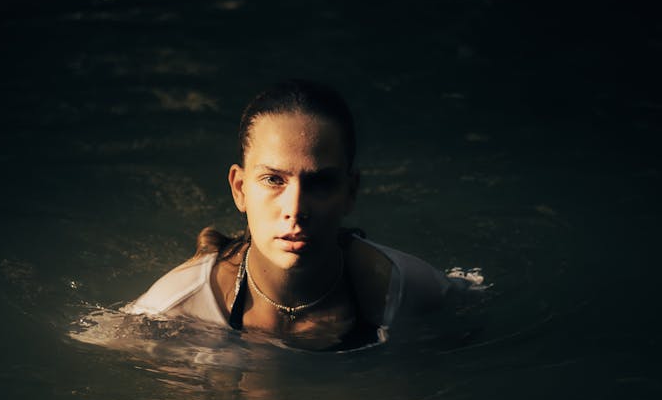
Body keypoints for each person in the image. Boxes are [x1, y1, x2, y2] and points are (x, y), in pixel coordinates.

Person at [122, 79, 478, 351]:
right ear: (240, 188)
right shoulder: (173, 310)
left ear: (350, 192)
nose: (295, 209)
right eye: (274, 180)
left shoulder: (408, 291)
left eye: (320, 183)